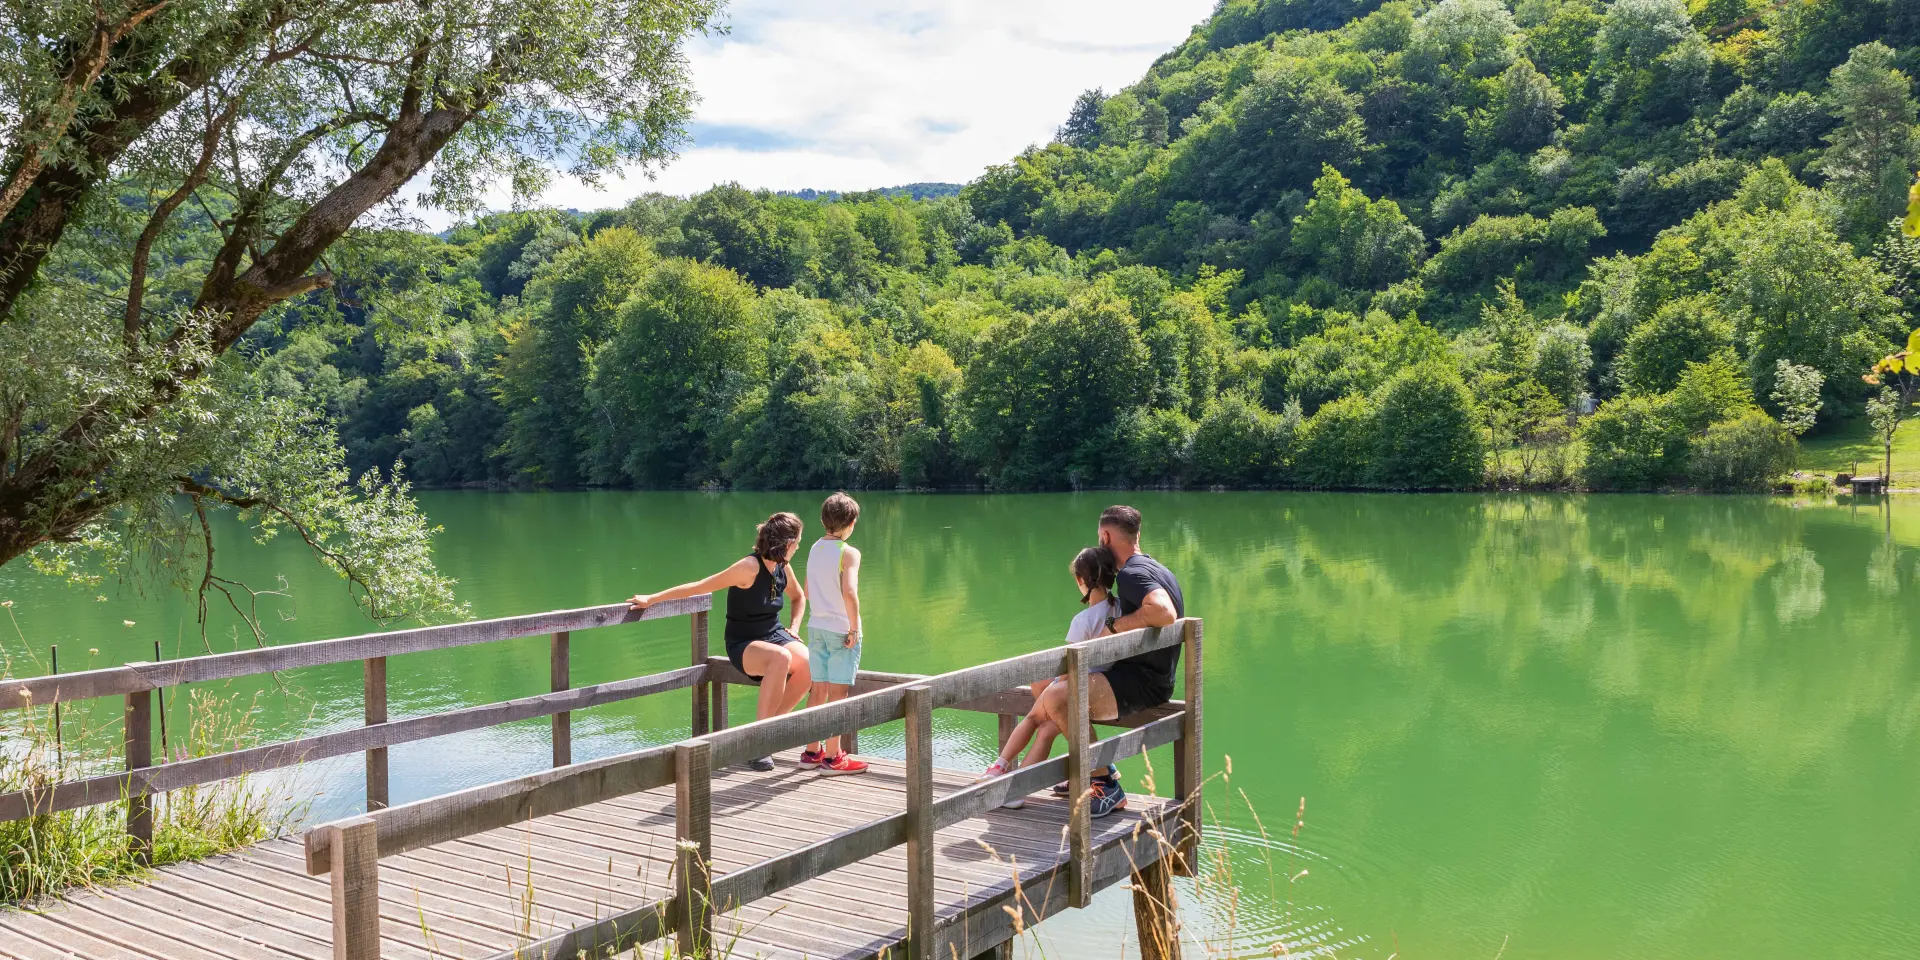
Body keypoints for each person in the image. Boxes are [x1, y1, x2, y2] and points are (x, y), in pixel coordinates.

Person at [1024, 505, 1184, 817]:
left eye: (1100, 540)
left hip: (1142, 684)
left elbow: (1165, 612)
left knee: (1057, 696)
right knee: (1041, 685)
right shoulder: (1157, 568)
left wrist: (1113, 628)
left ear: (1106, 536)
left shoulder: (1131, 574)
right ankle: (1094, 765)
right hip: (1148, 677)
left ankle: (1106, 787)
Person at [628, 512, 811, 772]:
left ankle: (772, 728)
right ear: (786, 543)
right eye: (798, 542)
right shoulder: (748, 567)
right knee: (780, 658)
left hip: (774, 633)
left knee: (810, 663)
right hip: (744, 641)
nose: (799, 547)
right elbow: (700, 586)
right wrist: (652, 599)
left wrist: (794, 627)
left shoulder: (783, 567)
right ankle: (759, 744)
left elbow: (799, 597)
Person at [976, 545, 1118, 808]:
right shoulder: (1121, 610)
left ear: (1080, 581)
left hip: (1078, 687)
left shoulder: (1083, 621)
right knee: (1046, 726)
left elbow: (1067, 669)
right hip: (1103, 684)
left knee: (1035, 719)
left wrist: (1053, 694)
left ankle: (1000, 769)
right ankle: (1016, 788)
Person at [799, 492, 869, 776]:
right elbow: (849, 592)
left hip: (816, 627)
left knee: (818, 689)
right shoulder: (848, 553)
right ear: (851, 523)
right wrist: (853, 628)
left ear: (823, 521)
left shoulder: (815, 548)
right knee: (839, 693)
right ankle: (833, 757)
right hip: (841, 630)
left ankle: (811, 751)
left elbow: (806, 590)